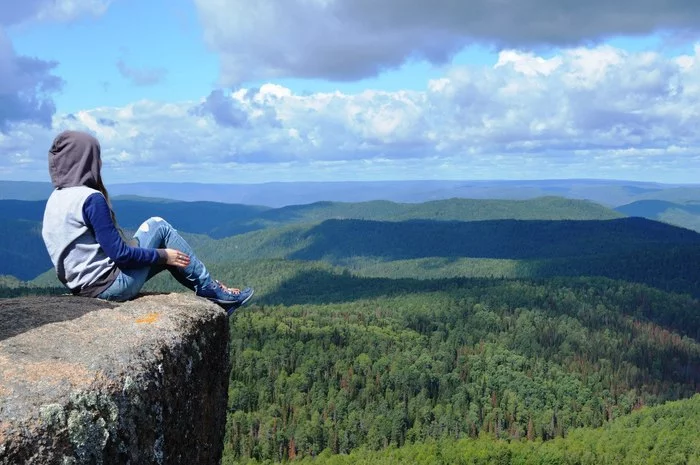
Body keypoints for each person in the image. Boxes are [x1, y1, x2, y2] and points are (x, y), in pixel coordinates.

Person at [41, 130, 253, 314]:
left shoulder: (56, 198)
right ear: (84, 160)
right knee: (159, 226)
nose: (100, 163)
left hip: (83, 287)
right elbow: (121, 255)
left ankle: (210, 288)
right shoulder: (90, 199)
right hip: (109, 287)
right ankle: (210, 289)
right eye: (96, 156)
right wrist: (163, 256)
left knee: (162, 248)